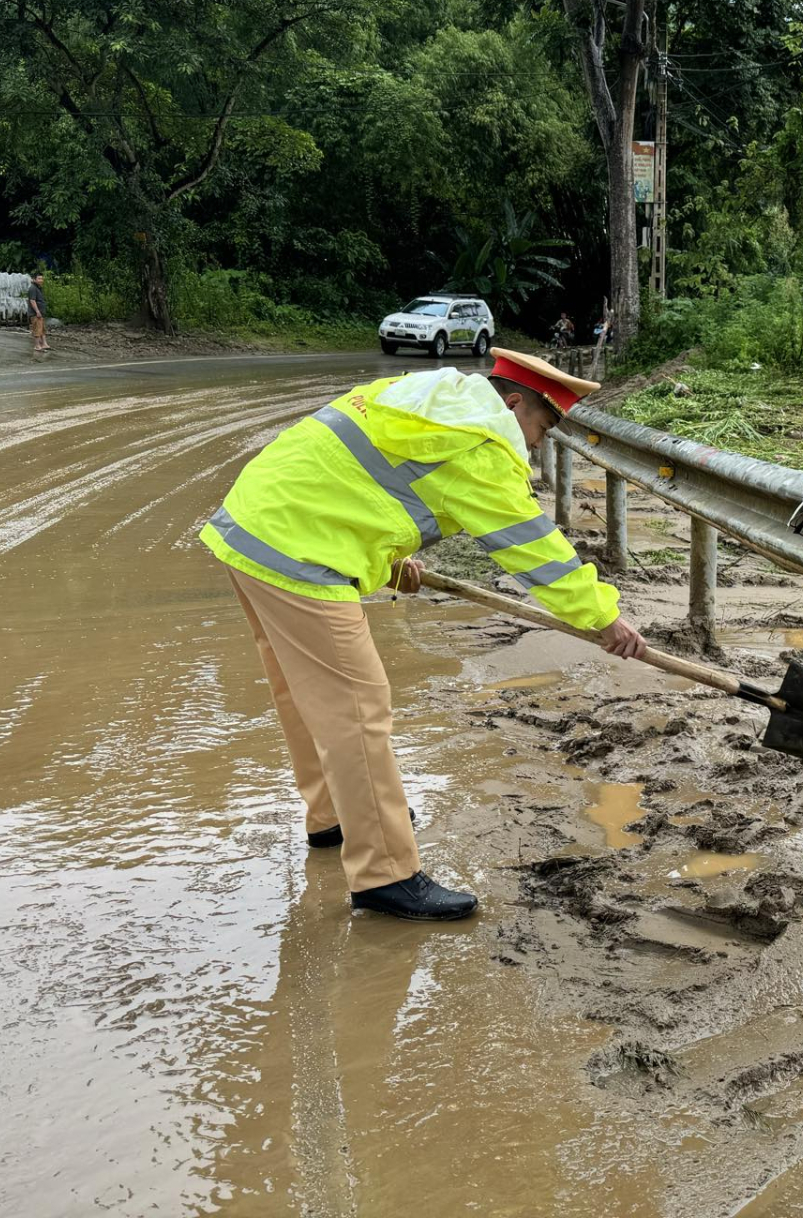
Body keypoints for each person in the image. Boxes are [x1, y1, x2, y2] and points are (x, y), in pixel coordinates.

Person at [200, 348, 648, 922]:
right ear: (512, 403)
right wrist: (604, 619)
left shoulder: (425, 398)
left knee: (302, 693)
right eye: (540, 428)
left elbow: (357, 479)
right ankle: (385, 872)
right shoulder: (480, 445)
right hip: (299, 555)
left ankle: (336, 815)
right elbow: (537, 552)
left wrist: (388, 556)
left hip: (256, 527)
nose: (537, 446)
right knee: (357, 711)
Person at [27, 274, 49, 353]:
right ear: (34, 279)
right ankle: (37, 345)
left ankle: (44, 344)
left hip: (40, 312)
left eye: (42, 278)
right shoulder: (33, 288)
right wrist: (37, 311)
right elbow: (32, 301)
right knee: (37, 329)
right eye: (39, 278)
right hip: (36, 313)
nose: (41, 280)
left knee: (42, 329)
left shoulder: (38, 288)